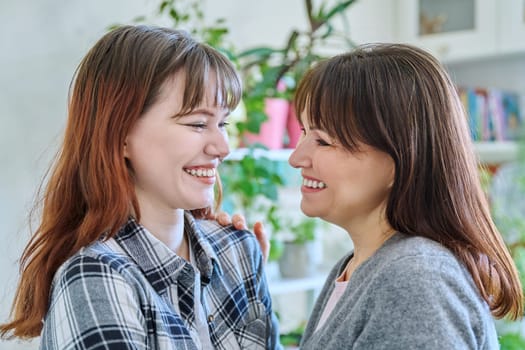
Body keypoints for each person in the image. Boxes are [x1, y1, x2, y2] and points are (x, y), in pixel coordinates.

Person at [0, 25, 280, 350]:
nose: (223, 147)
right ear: (120, 135)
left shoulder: (239, 251)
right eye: (198, 124)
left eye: (223, 124)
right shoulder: (95, 279)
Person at [288, 43, 523, 349]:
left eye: (323, 141)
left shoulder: (415, 277)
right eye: (304, 133)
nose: (297, 157)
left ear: (399, 161)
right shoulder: (359, 266)